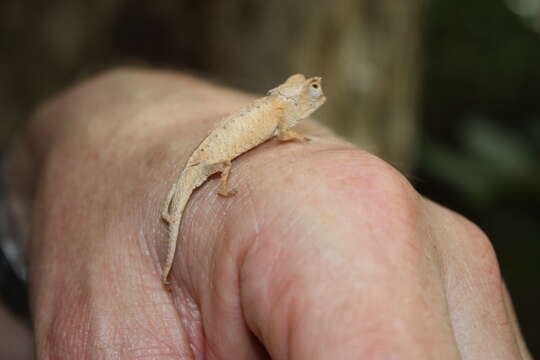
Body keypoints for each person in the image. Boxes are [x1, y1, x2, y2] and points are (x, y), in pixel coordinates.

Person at [0, 68, 531, 359]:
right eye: (309, 92)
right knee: (185, 199)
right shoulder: (276, 114)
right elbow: (269, 134)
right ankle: (172, 227)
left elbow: (281, 128)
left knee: (183, 199)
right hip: (214, 157)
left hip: (208, 153)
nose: (311, 98)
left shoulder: (277, 110)